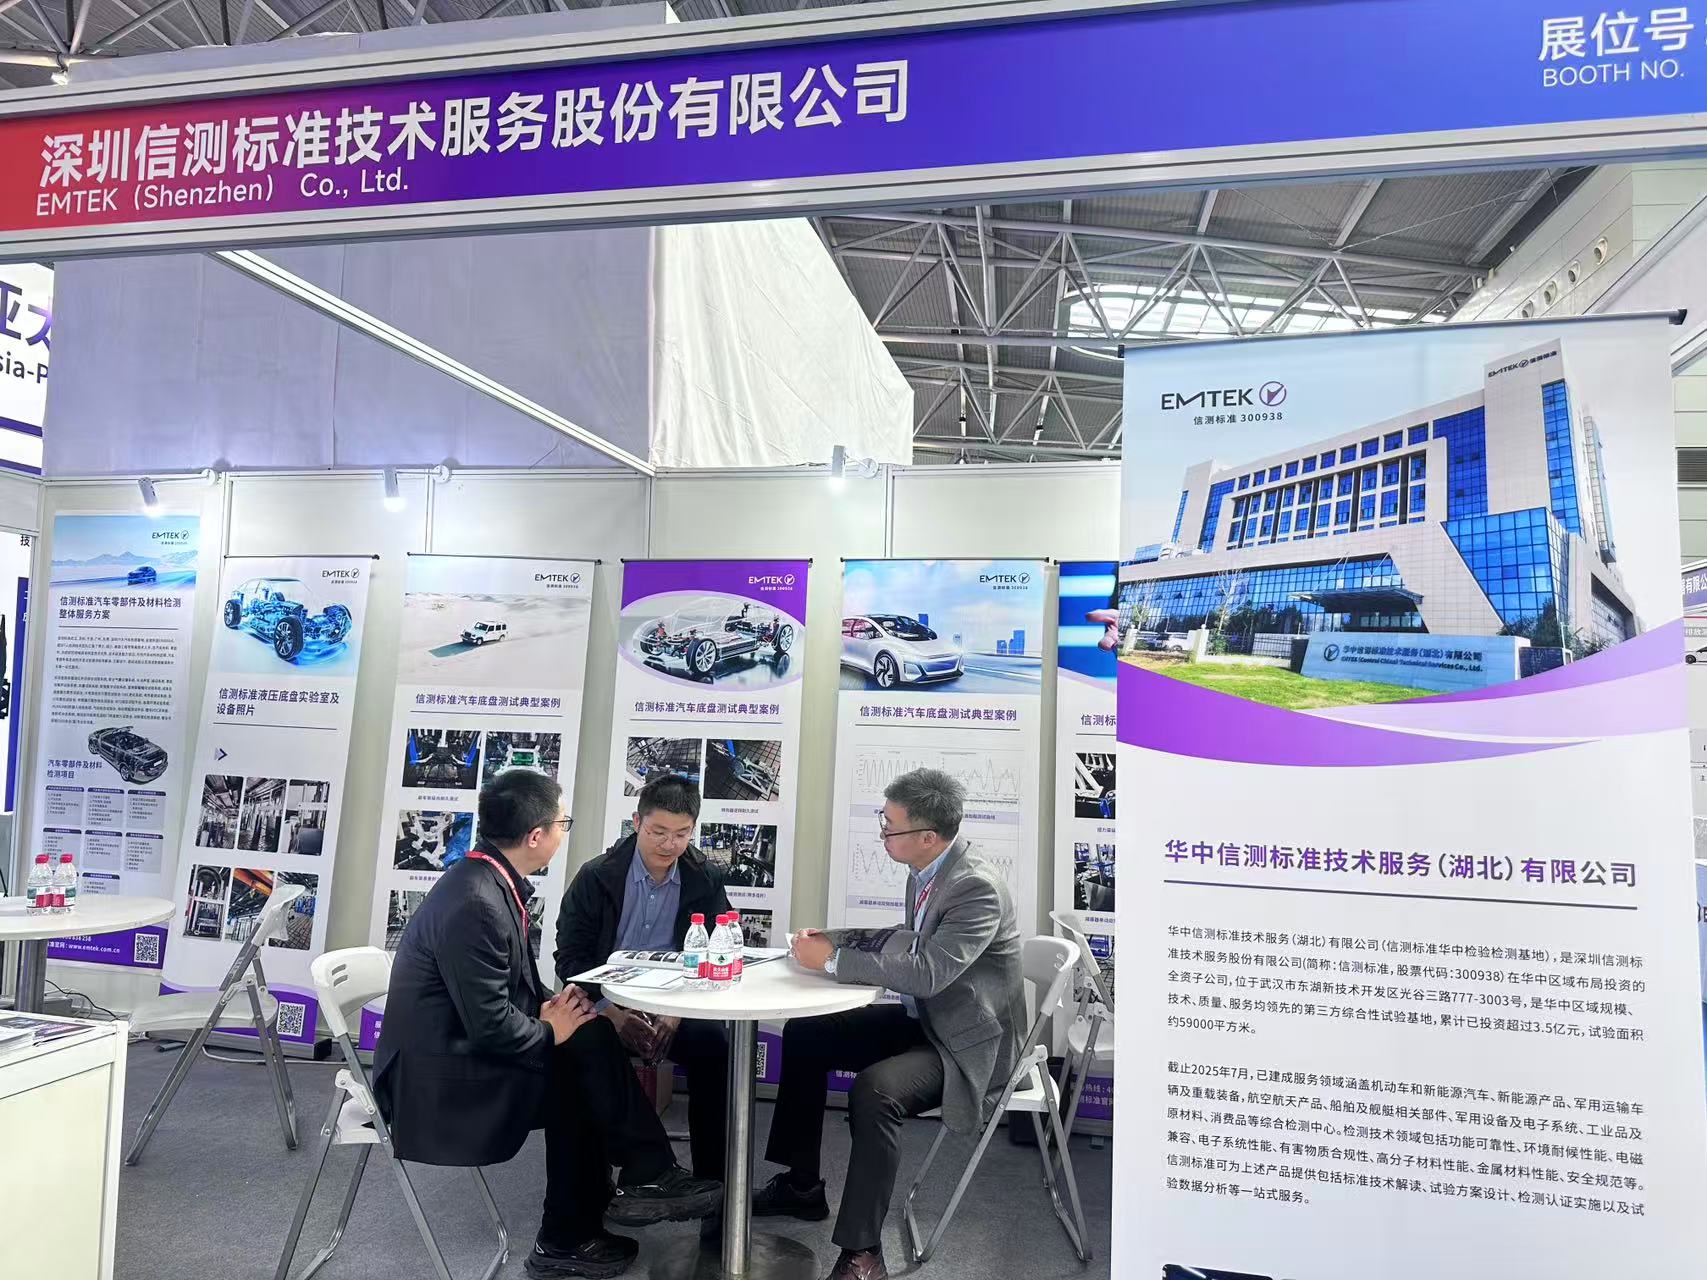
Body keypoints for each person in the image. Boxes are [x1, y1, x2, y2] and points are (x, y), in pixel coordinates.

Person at [374, 768, 721, 1280]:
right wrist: (552, 1028)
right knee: (577, 1070)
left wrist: (563, 1010)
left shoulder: (486, 881)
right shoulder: (477, 902)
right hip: (440, 1078)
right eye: (563, 823)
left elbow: (511, 991)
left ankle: (620, 1194)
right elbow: (492, 1027)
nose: (565, 832)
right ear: (536, 836)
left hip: (457, 1047)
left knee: (589, 1035)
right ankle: (581, 1225)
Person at [760, 768, 1025, 1280]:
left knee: (876, 1090)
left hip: (964, 1044)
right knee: (808, 1033)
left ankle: (863, 1254)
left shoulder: (976, 888)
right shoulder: (927, 868)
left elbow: (928, 972)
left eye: (890, 825)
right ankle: (801, 1186)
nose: (882, 833)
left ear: (927, 836)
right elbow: (906, 939)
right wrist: (833, 938)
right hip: (928, 1020)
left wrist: (833, 960)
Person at [556, 773, 732, 1235]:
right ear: (637, 823)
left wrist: (677, 1012)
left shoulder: (704, 877)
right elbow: (570, 959)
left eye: (681, 833)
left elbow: (716, 953)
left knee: (715, 1045)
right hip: (609, 1004)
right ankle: (622, 1180)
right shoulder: (598, 876)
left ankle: (713, 1189)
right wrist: (613, 1013)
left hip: (675, 1004)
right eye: (658, 832)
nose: (669, 845)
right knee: (591, 1045)